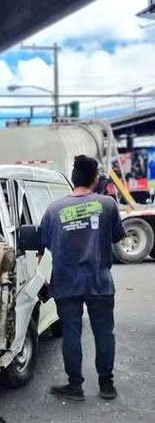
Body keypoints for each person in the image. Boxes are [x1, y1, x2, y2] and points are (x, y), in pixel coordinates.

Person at [40, 155, 125, 401]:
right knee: (104, 332)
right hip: (99, 281)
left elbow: (43, 241)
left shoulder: (54, 210)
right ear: (95, 178)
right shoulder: (108, 204)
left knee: (71, 333)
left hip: (66, 283)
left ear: (74, 178)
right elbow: (117, 236)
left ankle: (75, 386)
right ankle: (106, 386)